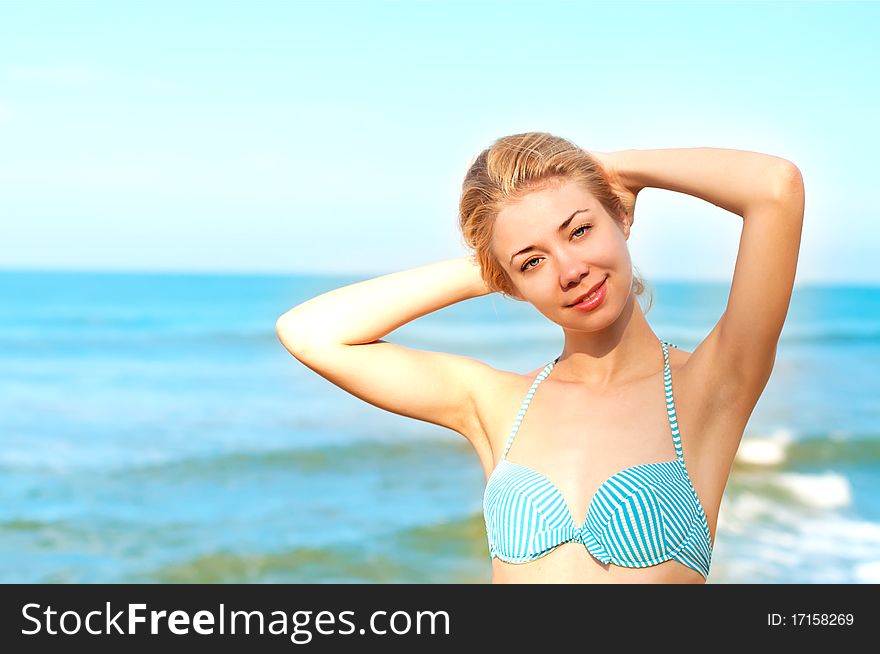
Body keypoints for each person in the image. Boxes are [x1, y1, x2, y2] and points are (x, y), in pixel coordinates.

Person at [276, 132, 805, 584]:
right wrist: (497, 263)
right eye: (534, 263)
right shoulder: (496, 403)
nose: (569, 270)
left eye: (579, 230)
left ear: (620, 216)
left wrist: (618, 172)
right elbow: (311, 333)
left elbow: (775, 189)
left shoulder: (710, 386)